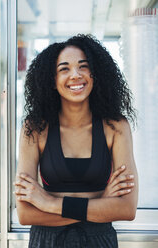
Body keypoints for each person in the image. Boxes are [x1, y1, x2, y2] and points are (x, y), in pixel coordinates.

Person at [14, 34, 138, 248]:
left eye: (83, 66)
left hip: (100, 242)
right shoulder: (35, 128)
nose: (75, 75)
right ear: (52, 80)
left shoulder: (116, 127)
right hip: (47, 242)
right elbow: (25, 214)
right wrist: (100, 201)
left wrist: (49, 202)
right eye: (64, 69)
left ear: (94, 73)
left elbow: (126, 209)